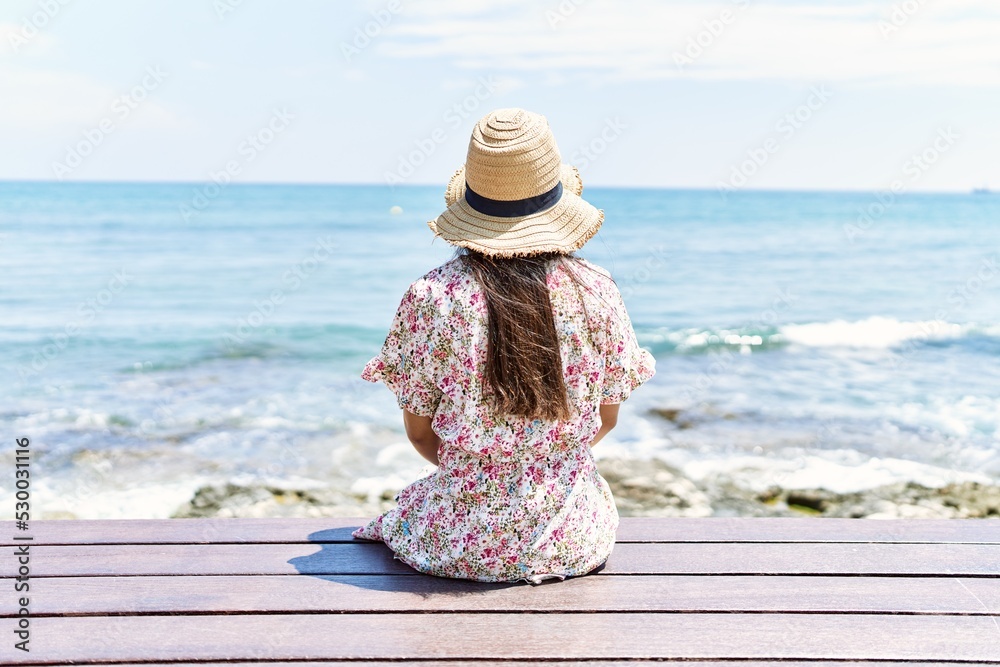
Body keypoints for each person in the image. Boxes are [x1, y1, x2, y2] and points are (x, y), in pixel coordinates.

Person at [351, 107, 655, 584]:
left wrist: (488, 475)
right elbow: (608, 418)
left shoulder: (432, 297)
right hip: (571, 536)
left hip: (454, 540)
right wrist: (540, 463)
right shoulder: (598, 291)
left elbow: (420, 435)